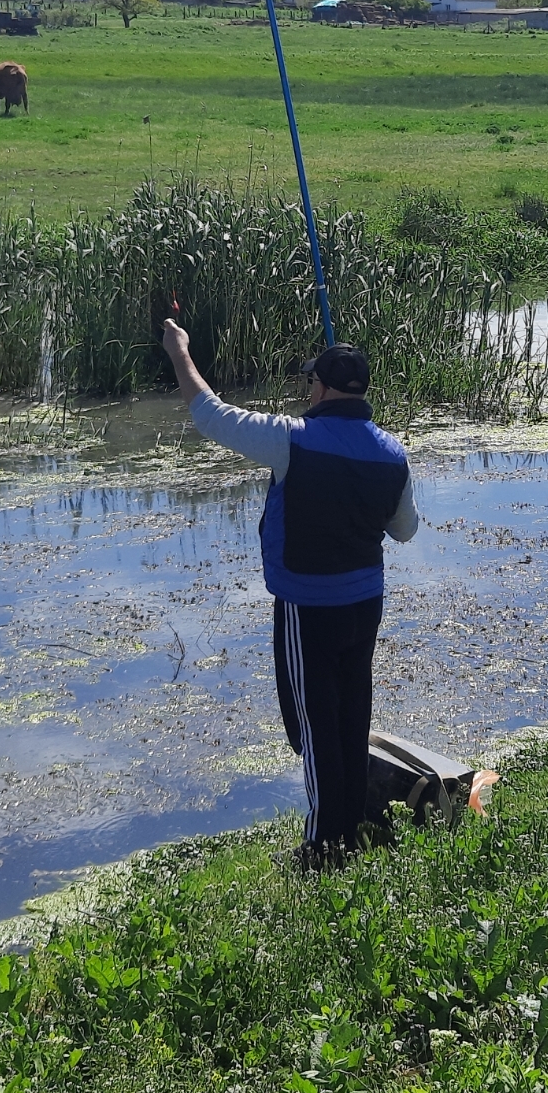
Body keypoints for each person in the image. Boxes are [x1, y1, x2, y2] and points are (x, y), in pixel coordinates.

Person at [161, 320, 418, 866]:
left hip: (308, 610)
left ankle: (326, 848)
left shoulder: (290, 439)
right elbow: (404, 530)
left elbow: (209, 414)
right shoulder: (392, 454)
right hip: (365, 607)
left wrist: (180, 352)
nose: (307, 394)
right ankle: (357, 822)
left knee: (313, 727)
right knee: (351, 715)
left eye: (311, 385)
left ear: (322, 389)